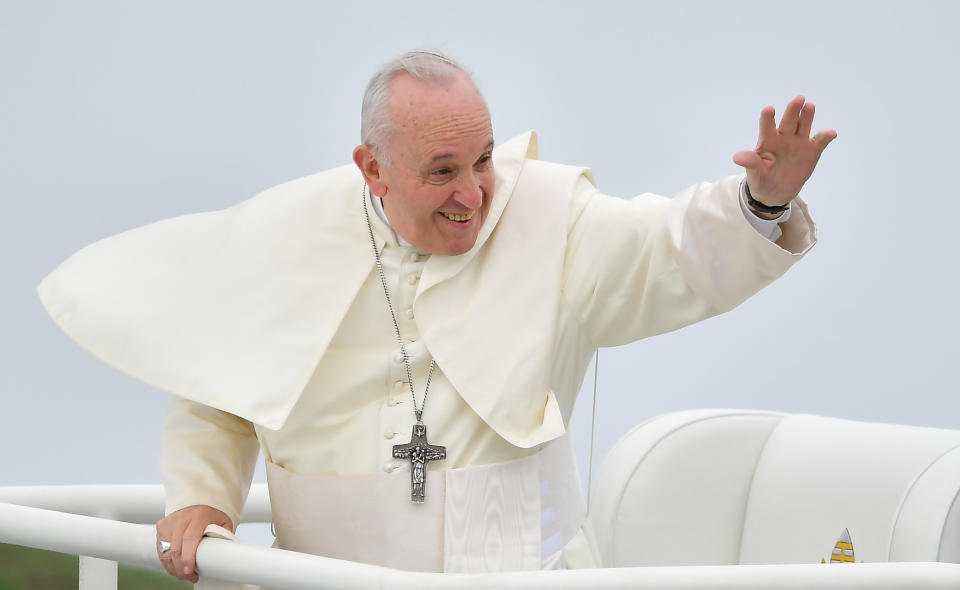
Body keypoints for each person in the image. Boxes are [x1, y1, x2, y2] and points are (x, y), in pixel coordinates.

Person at [38, 50, 835, 583]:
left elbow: (666, 249)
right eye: (443, 171)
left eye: (483, 159)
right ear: (372, 168)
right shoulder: (289, 232)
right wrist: (204, 495)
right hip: (322, 578)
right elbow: (220, 384)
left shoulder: (552, 216)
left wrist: (760, 202)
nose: (474, 194)